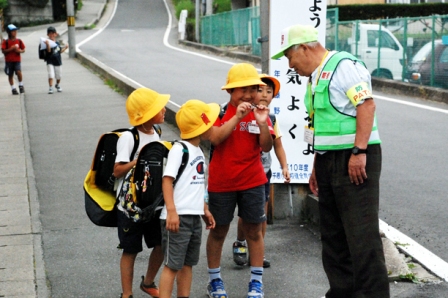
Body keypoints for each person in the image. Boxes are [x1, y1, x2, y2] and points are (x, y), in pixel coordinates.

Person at [271, 24, 389, 298]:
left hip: (355, 158)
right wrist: (316, 165)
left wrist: (359, 153)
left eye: (290, 56)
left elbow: (366, 105)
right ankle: (342, 292)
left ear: (305, 47)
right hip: (328, 160)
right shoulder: (315, 78)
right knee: (333, 236)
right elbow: (322, 126)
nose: (290, 65)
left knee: (361, 236)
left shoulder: (343, 65)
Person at [205, 63, 274, 298]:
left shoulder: (260, 111)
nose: (247, 94)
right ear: (229, 91)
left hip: (253, 180)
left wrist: (262, 123)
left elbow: (266, 146)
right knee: (219, 231)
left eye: (252, 89)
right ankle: (214, 281)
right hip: (221, 183)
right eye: (241, 89)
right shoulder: (218, 111)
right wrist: (238, 118)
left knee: (254, 231)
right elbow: (215, 138)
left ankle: (256, 283)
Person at [158, 99, 217, 298]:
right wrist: (171, 211)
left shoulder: (199, 150)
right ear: (199, 128)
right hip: (178, 217)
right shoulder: (179, 150)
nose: (213, 126)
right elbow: (167, 181)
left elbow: (197, 186)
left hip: (193, 217)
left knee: (187, 263)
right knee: (172, 265)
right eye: (209, 123)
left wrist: (204, 209)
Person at [113, 87, 169, 298]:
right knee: (131, 249)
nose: (164, 109)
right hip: (130, 206)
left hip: (153, 201)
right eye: (158, 107)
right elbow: (117, 170)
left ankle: (148, 282)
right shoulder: (129, 137)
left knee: (161, 244)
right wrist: (138, 161)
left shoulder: (157, 133)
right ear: (145, 114)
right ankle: (126, 294)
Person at [232, 74, 291, 269]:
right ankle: (240, 242)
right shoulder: (243, 113)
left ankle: (257, 252)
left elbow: (278, 145)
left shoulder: (271, 118)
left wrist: (284, 166)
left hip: (263, 173)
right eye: (260, 90)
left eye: (269, 91)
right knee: (245, 214)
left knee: (261, 214)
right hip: (244, 173)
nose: (264, 94)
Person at [1, 24, 25, 95]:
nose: (15, 32)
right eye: (13, 31)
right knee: (10, 75)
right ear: (9, 33)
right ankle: (13, 88)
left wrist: (19, 51)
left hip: (17, 60)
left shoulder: (19, 41)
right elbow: (3, 51)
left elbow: (23, 49)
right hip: (9, 61)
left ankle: (21, 85)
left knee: (18, 71)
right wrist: (11, 49)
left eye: (15, 31)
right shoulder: (6, 42)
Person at [45, 26, 68, 94]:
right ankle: (50, 87)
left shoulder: (57, 43)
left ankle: (57, 85)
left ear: (55, 34)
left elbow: (59, 51)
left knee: (59, 76)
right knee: (51, 74)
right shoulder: (46, 43)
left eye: (53, 33)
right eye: (50, 33)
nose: (52, 35)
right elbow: (48, 51)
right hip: (50, 61)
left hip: (58, 61)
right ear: (48, 35)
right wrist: (48, 45)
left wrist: (65, 48)